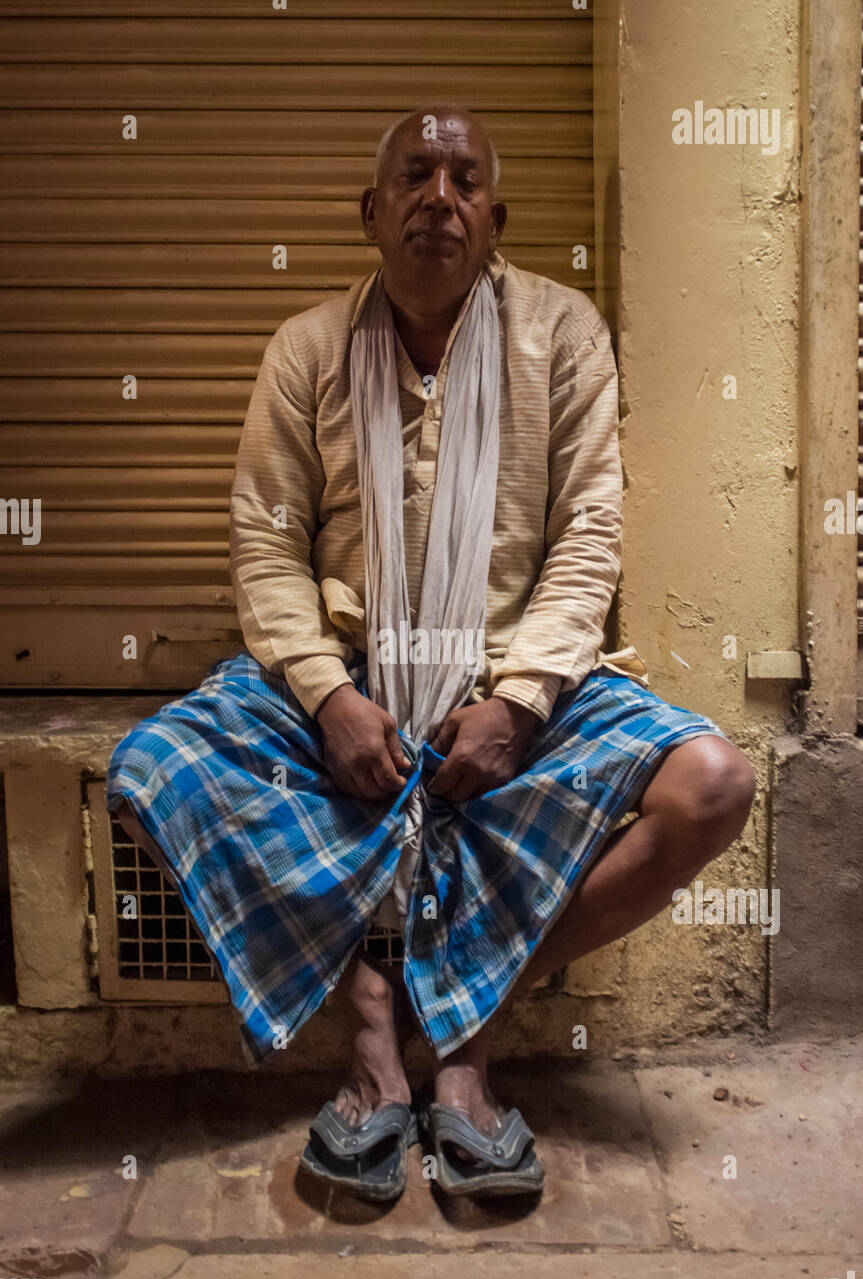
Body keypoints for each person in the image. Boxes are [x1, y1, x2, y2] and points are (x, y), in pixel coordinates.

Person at [107, 105, 755, 1202]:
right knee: (147, 774)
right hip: (345, 682)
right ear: (370, 212)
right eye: (414, 176)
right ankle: (371, 1025)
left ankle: (464, 1021)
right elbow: (264, 548)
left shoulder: (564, 334)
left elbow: (587, 534)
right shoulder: (307, 348)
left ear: (494, 219)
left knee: (711, 786)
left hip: (515, 683)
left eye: (463, 183)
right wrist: (325, 700)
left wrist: (522, 700)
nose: (437, 199)